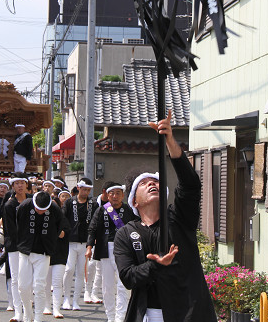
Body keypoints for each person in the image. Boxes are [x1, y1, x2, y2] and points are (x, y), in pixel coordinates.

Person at [114, 110, 217, 322]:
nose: (152, 184)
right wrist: (156, 266)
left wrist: (170, 140)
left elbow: (190, 185)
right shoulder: (126, 234)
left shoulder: (179, 218)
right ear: (134, 201)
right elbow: (128, 277)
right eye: (143, 183)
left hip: (188, 313)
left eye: (156, 181)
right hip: (149, 314)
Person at [86, 181, 136, 322]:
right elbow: (92, 229)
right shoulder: (101, 210)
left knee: (123, 285)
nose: (115, 196)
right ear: (107, 196)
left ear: (123, 195)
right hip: (105, 250)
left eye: (118, 193)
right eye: (112, 193)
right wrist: (89, 247)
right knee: (107, 287)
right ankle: (110, 317)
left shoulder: (129, 210)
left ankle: (120, 317)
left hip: (125, 250)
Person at [16, 191, 63, 322]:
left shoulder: (55, 209)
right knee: (23, 286)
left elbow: (59, 226)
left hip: (43, 252)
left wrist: (50, 242)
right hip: (25, 251)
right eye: (38, 209)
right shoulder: (25, 206)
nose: (40, 212)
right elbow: (18, 224)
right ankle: (27, 312)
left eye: (43, 210)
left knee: (39, 286)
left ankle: (38, 317)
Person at [0, 173, 28, 322]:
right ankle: (18, 311)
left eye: (22, 182)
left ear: (27, 185)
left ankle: (28, 310)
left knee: (27, 280)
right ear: (13, 186)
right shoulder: (9, 205)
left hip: (31, 247)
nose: (20, 185)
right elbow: (10, 229)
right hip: (14, 246)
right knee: (15, 278)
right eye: (17, 183)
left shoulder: (32, 201)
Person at [62, 177, 97, 310]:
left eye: (88, 190)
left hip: (85, 243)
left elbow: (95, 223)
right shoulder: (69, 202)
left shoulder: (93, 204)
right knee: (69, 269)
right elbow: (63, 218)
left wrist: (92, 241)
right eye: (84, 189)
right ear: (78, 188)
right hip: (70, 242)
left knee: (81, 272)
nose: (86, 192)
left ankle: (76, 300)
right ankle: (66, 298)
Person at [44, 191, 71, 319]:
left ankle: (56, 309)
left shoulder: (63, 219)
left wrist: (54, 228)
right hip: (45, 254)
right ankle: (46, 306)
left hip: (60, 254)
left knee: (57, 282)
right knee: (46, 283)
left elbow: (63, 234)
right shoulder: (42, 217)